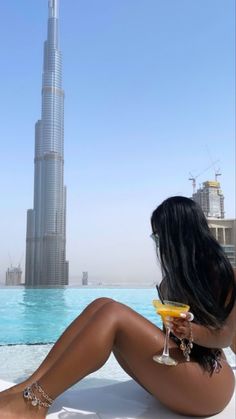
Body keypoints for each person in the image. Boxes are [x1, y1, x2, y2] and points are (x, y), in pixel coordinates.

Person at [0, 196, 235, 418]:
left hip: (210, 381)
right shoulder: (172, 281)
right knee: (101, 305)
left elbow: (226, 337)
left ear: (180, 236)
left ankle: (35, 405)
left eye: (160, 237)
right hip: (184, 368)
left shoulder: (224, 275)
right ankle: (29, 388)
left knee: (114, 314)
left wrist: (191, 330)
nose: (159, 245)